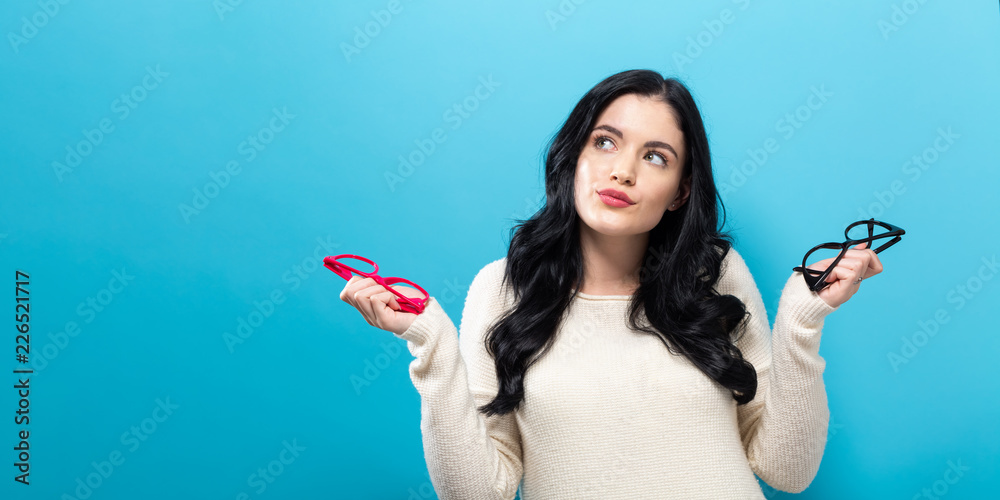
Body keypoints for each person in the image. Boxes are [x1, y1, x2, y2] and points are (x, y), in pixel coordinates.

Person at [339, 69, 883, 499]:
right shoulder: (504, 289)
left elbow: (787, 471)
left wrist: (801, 322)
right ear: (573, 157)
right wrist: (430, 343)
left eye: (655, 157)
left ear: (680, 192)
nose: (623, 171)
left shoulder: (713, 277)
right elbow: (479, 493)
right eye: (605, 142)